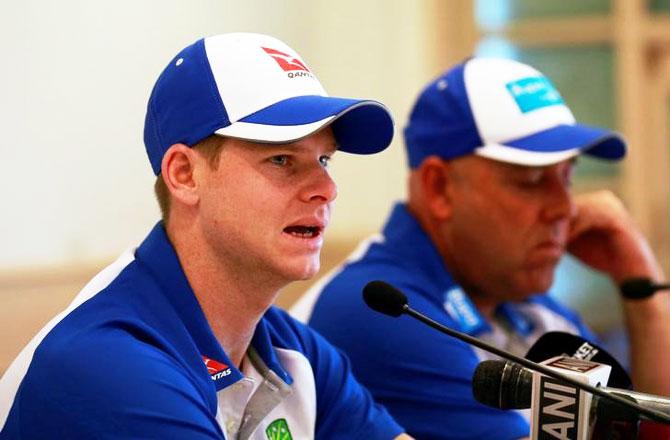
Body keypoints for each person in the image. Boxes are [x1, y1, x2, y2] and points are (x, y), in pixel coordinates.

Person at [0, 33, 413, 439]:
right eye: (282, 159)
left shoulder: (290, 348)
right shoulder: (109, 364)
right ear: (184, 174)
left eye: (324, 159)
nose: (326, 188)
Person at [294, 57, 670, 439]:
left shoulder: (519, 302)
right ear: (439, 188)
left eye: (567, 177)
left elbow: (644, 431)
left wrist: (645, 292)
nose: (565, 208)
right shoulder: (383, 310)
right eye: (533, 180)